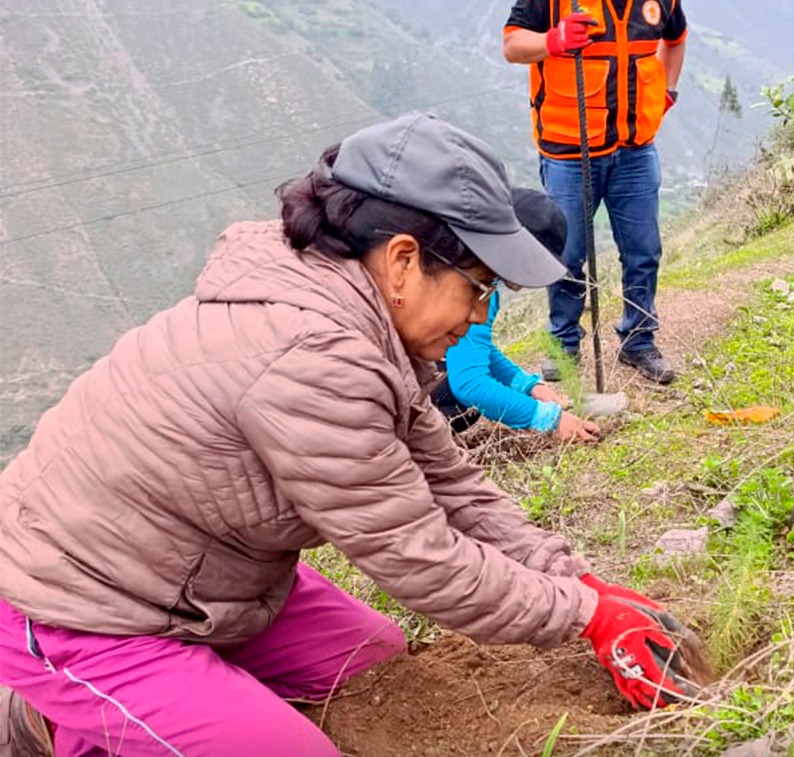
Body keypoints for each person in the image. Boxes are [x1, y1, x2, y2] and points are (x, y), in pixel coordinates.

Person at [0, 112, 698, 757]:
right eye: (478, 286)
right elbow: (421, 557)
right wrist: (586, 615)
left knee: (373, 663)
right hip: (76, 603)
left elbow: (453, 488)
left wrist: (581, 581)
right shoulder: (311, 357)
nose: (479, 312)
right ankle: (55, 719)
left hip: (205, 580)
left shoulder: (362, 327)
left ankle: (193, 697)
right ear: (402, 261)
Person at [502, 0, 688, 385]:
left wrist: (668, 91)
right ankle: (564, 343)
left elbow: (676, 39)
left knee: (643, 251)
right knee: (567, 254)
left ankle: (639, 341)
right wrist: (554, 40)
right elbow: (513, 46)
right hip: (569, 152)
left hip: (635, 150)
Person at [430, 188, 600, 443]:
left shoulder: (477, 274)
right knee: (459, 404)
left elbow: (473, 348)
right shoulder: (470, 287)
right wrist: (549, 419)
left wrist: (528, 386)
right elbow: (471, 384)